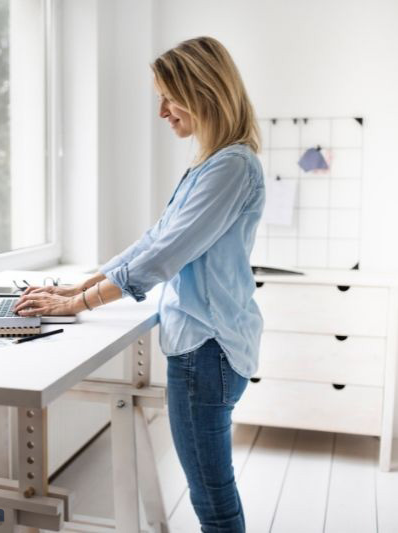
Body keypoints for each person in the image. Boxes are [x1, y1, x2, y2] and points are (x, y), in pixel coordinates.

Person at [14, 35, 264, 532]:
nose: (162, 112)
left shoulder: (231, 165)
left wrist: (81, 302)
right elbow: (155, 239)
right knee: (210, 488)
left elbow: (166, 255)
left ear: (204, 91)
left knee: (212, 497)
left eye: (169, 98)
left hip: (206, 349)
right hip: (204, 346)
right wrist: (79, 288)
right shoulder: (210, 164)